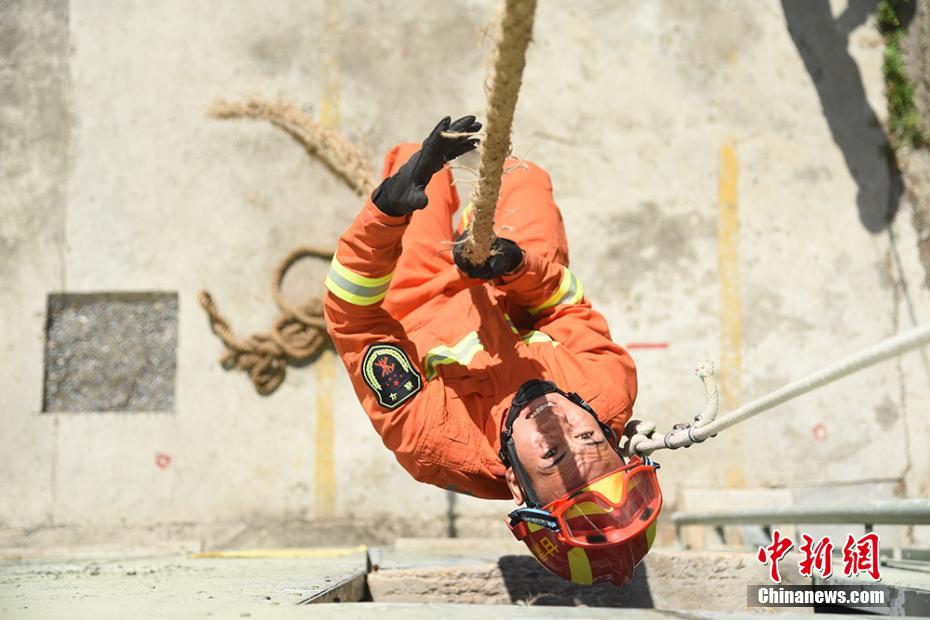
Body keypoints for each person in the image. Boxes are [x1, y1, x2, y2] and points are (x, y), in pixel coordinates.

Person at [323, 116, 662, 586]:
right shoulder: (609, 387)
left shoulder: (430, 441)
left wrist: (385, 214)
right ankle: (485, 222)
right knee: (525, 179)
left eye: (552, 455)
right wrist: (516, 265)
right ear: (611, 439)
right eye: (588, 438)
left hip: (421, 297)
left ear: (516, 483)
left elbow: (353, 317)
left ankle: (418, 193)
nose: (559, 424)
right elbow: (563, 303)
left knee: (416, 169)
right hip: (509, 285)